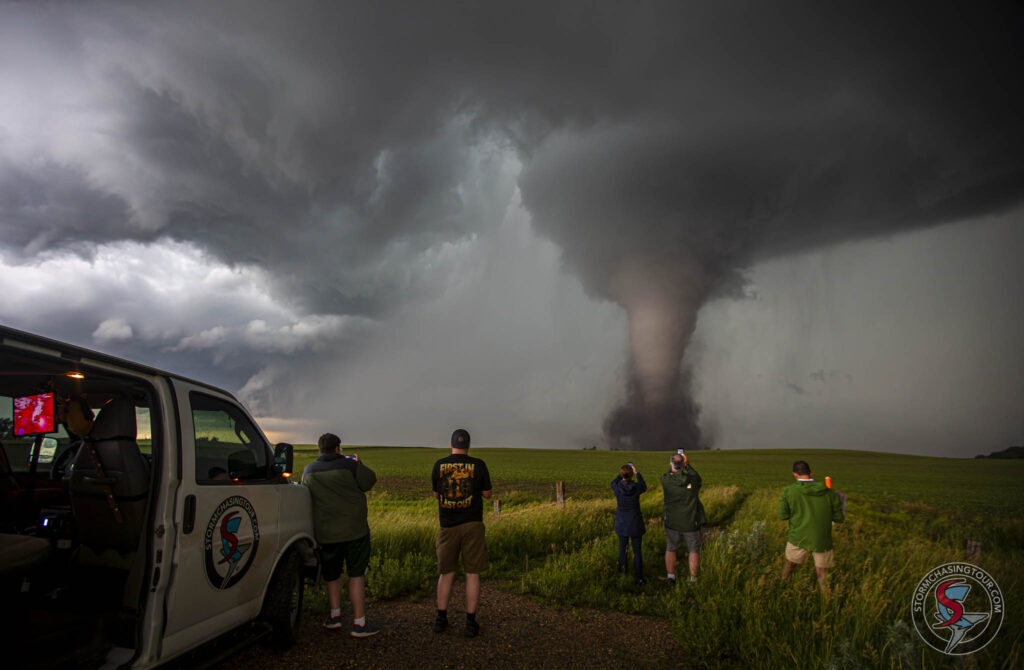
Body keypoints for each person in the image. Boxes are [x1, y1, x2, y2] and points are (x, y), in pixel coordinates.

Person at [301, 432, 379, 637]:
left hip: (326, 535)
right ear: (337, 448)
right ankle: (359, 623)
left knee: (332, 575)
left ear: (320, 449)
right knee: (356, 574)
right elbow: (370, 481)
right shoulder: (350, 465)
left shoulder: (309, 470)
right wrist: (358, 463)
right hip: (355, 532)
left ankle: (334, 617)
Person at [431, 428, 492, 638]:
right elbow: (487, 494)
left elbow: (436, 494)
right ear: (469, 446)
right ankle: (470, 621)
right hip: (473, 524)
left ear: (451, 445)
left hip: (447, 525)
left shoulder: (439, 465)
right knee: (472, 574)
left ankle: (441, 618)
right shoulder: (479, 465)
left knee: (446, 572)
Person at [778, 460, 845, 593]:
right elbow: (839, 518)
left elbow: (783, 516)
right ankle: (825, 604)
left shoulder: (788, 491)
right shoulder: (829, 493)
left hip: (798, 537)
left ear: (795, 475)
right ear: (811, 473)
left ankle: (782, 593)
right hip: (821, 540)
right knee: (823, 576)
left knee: (788, 569)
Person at [661, 452, 705, 584]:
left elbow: (670, 473)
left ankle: (671, 576)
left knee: (671, 548)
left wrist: (675, 466)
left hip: (672, 522)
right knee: (693, 550)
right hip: (691, 522)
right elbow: (697, 478)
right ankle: (693, 579)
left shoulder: (665, 480)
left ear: (671, 465)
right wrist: (688, 465)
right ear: (683, 464)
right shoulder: (692, 480)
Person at [611, 462, 647, 585]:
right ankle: (639, 578)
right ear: (632, 475)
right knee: (637, 552)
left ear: (622, 475)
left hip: (622, 524)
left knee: (623, 550)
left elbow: (612, 483)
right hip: (635, 523)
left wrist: (620, 475)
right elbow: (644, 486)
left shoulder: (617, 488)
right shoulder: (637, 488)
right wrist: (637, 474)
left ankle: (623, 575)